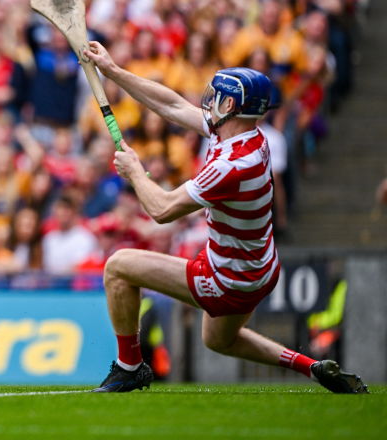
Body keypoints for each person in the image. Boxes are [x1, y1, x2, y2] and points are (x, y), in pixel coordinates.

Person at [82, 41, 367, 394]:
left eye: (215, 95)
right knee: (217, 340)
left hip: (227, 278)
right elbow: (171, 105)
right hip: (259, 269)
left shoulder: (230, 166)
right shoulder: (248, 135)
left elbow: (162, 210)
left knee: (118, 266)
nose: (208, 100)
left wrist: (135, 172)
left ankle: (130, 367)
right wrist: (113, 71)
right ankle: (311, 367)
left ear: (230, 105)